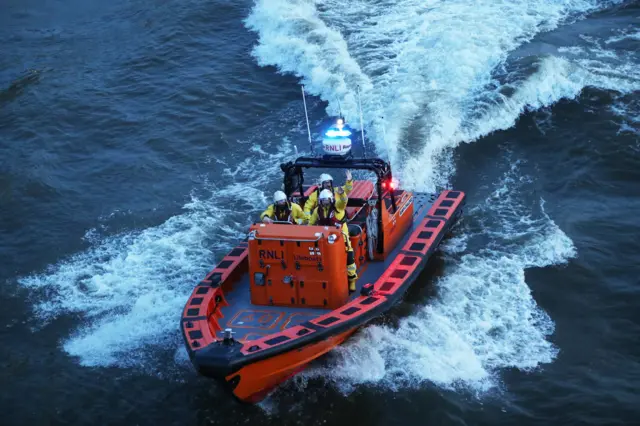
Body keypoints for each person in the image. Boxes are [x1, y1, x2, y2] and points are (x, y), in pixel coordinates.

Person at [308, 189, 358, 293]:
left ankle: (352, 280)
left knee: (349, 256)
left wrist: (341, 193)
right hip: (323, 238)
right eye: (323, 201)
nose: (325, 203)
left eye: (327, 200)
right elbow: (311, 224)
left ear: (331, 200)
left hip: (341, 237)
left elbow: (344, 200)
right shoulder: (318, 210)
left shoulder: (338, 207)